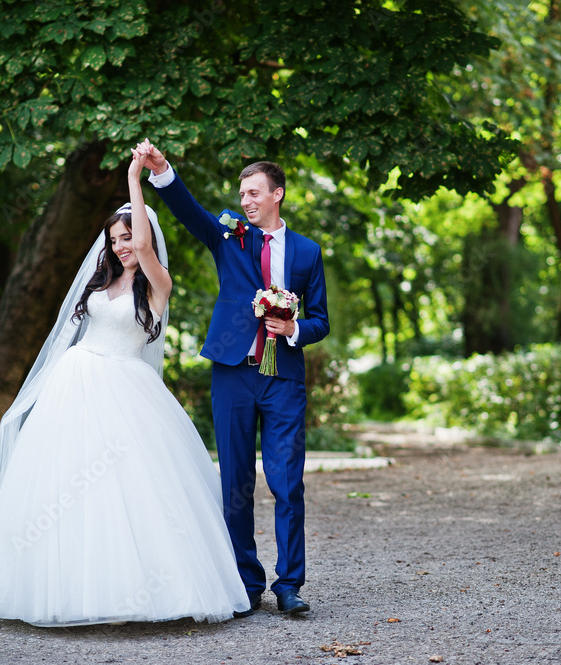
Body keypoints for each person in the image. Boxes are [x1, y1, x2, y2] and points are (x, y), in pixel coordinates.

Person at [0, 149, 249, 626]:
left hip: (126, 389)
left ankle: (140, 592)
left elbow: (142, 249)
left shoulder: (158, 283)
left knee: (129, 490)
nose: (123, 246)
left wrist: (134, 182)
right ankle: (66, 591)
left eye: (128, 237)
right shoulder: (101, 284)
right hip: (74, 386)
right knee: (62, 489)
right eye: (115, 239)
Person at [136, 138, 329, 616]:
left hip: (283, 377)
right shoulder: (230, 235)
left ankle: (289, 585)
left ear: (277, 194)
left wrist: (294, 328)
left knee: (287, 482)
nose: (245, 201)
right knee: (235, 481)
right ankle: (245, 583)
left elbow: (321, 319)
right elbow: (188, 209)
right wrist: (162, 170)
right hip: (232, 376)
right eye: (242, 194)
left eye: (254, 193)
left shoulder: (306, 253)